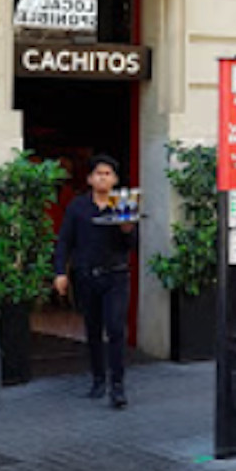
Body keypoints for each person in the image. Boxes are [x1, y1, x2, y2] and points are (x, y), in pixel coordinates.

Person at [54, 154, 138, 409]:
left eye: (108, 173)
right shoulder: (78, 207)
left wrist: (127, 229)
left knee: (115, 329)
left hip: (116, 275)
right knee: (92, 330)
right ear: (90, 179)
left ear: (115, 179)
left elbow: (133, 245)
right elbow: (65, 241)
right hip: (86, 276)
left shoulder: (124, 205)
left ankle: (118, 385)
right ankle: (98, 379)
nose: (103, 178)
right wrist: (60, 272)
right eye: (98, 173)